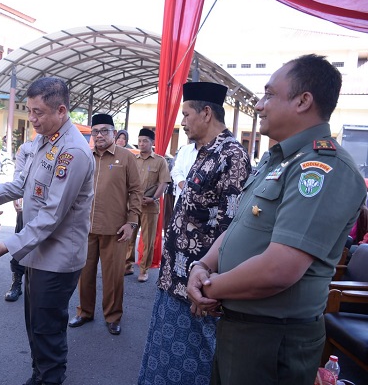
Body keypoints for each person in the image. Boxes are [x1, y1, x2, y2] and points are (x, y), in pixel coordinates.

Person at [187, 54, 366, 385]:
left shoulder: (323, 168)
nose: (258, 105)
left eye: (269, 94)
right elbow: (241, 226)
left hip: (272, 339)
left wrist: (209, 288)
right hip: (241, 326)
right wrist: (202, 266)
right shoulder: (277, 160)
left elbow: (279, 269)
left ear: (303, 101)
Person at [0, 77, 94, 385]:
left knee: (47, 333)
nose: (31, 119)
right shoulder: (46, 140)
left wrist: (9, 244)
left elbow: (52, 213)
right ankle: (39, 376)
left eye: (38, 112)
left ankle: (49, 378)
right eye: (28, 111)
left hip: (56, 261)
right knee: (36, 327)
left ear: (60, 110)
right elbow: (20, 185)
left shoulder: (73, 151)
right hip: (38, 254)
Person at [138, 82, 251, 384]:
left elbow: (232, 226)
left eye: (187, 115)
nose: (183, 122)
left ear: (205, 113)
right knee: (163, 361)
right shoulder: (202, 152)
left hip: (197, 286)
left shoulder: (232, 156)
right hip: (173, 279)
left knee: (192, 366)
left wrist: (214, 283)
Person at [69, 113, 142, 336]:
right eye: (95, 131)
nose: (99, 135)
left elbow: (136, 191)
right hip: (85, 228)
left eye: (104, 131)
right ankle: (85, 312)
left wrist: (132, 222)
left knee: (113, 277)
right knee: (85, 274)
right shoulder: (84, 156)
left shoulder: (126, 157)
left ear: (114, 133)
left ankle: (113, 316)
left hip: (116, 229)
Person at [125, 128, 170, 282]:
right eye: (139, 141)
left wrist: (154, 198)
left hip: (150, 206)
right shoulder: (132, 159)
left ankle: (144, 270)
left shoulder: (160, 161)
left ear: (152, 143)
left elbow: (163, 182)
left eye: (145, 141)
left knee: (148, 239)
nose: (141, 144)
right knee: (129, 236)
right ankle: (127, 265)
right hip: (133, 205)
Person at [4, 139, 34, 302]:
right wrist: (18, 196)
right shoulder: (26, 147)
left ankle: (36, 284)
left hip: (49, 203)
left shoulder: (60, 144)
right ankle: (17, 282)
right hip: (27, 201)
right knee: (20, 242)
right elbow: (19, 172)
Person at [171, 140, 198, 205]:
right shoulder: (185, 150)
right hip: (182, 203)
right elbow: (176, 171)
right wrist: (186, 188)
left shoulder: (215, 151)